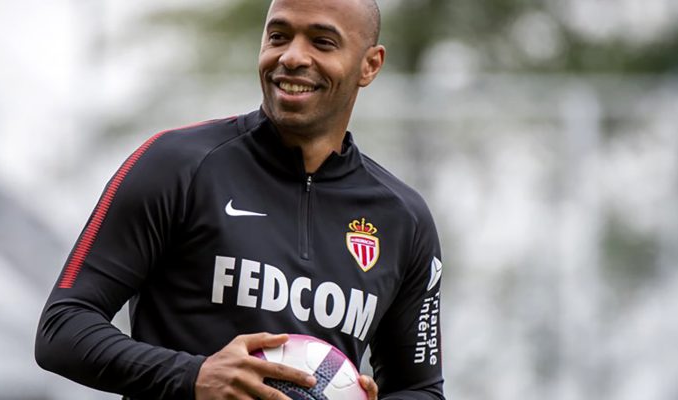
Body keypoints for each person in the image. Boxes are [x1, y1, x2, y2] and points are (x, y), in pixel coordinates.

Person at [35, 0, 445, 398]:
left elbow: (419, 388)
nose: (291, 57)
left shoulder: (403, 219)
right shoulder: (176, 165)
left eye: (322, 42)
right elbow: (62, 326)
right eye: (278, 36)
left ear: (370, 64)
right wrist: (194, 376)